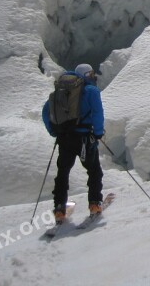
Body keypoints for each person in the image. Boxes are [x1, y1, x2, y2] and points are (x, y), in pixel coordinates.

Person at [42, 63, 105, 220]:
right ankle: (94, 204)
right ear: (87, 75)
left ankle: (59, 209)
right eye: (91, 74)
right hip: (84, 139)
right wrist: (97, 133)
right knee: (94, 171)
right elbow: (97, 113)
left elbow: (46, 111)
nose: (93, 77)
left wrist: (54, 131)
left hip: (64, 139)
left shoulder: (61, 90)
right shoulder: (91, 91)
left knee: (63, 173)